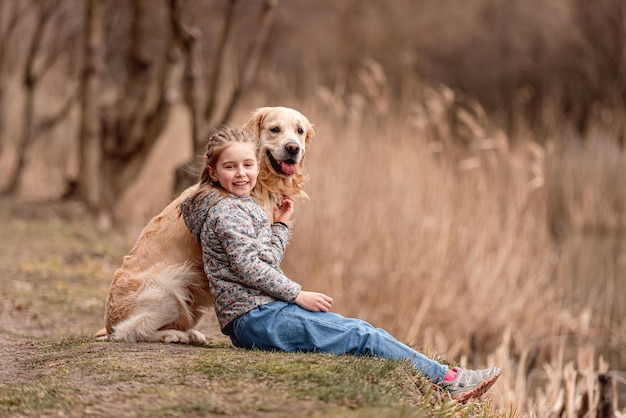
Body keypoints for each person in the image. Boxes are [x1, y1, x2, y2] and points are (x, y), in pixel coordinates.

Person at [180, 126, 501, 403]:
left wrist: (279, 226)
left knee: (360, 331)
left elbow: (265, 260)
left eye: (248, 164)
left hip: (261, 314)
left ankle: (443, 376)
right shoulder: (226, 213)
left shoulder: (241, 206)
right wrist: (297, 295)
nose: (241, 174)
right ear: (213, 171)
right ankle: (447, 382)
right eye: (231, 167)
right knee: (364, 336)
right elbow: (249, 267)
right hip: (256, 319)